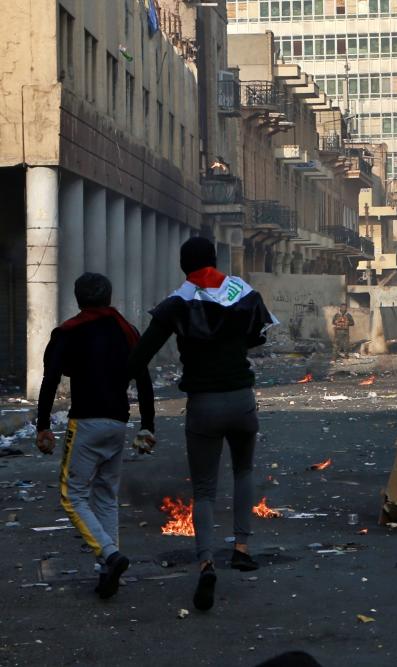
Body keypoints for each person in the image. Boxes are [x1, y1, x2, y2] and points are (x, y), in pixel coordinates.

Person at [129, 237, 277, 611]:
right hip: (242, 399)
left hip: (203, 405)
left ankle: (207, 562)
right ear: (214, 259)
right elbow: (256, 337)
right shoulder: (242, 292)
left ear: (184, 266)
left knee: (205, 489)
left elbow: (141, 354)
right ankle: (242, 549)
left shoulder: (176, 303)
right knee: (244, 472)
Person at [35, 273, 156, 600]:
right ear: (108, 296)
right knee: (105, 495)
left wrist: (42, 424)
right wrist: (148, 425)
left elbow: (50, 380)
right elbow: (144, 380)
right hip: (118, 423)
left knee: (71, 496)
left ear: (78, 299)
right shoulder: (127, 331)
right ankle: (108, 572)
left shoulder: (69, 332)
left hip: (86, 424)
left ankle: (110, 555)